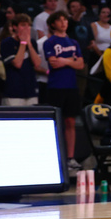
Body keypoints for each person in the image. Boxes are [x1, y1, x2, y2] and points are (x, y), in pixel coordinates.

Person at [42, 11, 85, 172]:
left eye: (65, 19)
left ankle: (70, 158)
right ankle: (54, 155)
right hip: (56, 87)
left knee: (70, 122)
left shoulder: (74, 42)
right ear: (53, 24)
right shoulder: (50, 42)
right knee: (55, 123)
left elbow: (81, 64)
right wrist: (72, 61)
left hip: (71, 86)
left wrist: (65, 61)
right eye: (59, 20)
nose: (63, 22)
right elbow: (54, 63)